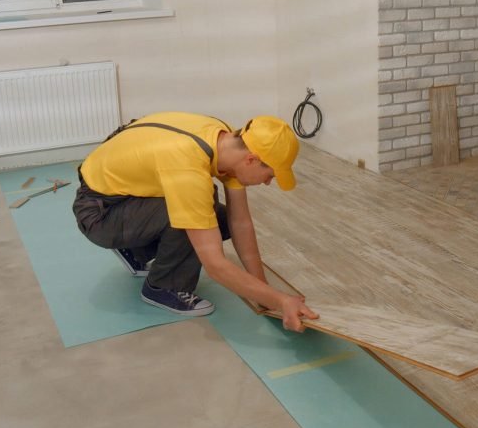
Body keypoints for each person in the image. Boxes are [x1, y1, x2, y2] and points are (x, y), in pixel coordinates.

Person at [72, 112, 318, 332]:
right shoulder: (188, 167)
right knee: (195, 207)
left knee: (215, 217)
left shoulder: (226, 139)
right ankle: (162, 287)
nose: (267, 182)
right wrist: (282, 301)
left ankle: (135, 249)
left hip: (123, 192)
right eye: (270, 174)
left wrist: (264, 292)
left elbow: (239, 222)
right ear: (252, 160)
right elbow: (215, 265)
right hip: (100, 212)